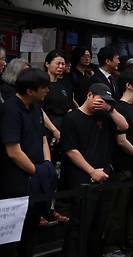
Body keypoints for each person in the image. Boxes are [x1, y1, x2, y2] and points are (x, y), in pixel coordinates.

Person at [60, 83, 129, 257]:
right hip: (81, 177)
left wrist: (110, 109)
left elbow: (124, 126)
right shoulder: (72, 118)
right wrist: (91, 171)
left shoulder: (104, 116)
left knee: (99, 224)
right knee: (79, 225)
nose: (103, 103)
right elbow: (71, 150)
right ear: (89, 95)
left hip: (104, 176)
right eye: (101, 99)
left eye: (107, 100)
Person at [0, 68, 54, 257]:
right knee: (11, 240)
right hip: (16, 183)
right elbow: (13, 151)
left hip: (37, 182)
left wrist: (47, 165)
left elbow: (43, 138)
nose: (47, 91)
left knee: (30, 236)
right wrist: (36, 171)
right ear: (30, 90)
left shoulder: (36, 107)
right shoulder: (10, 109)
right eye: (44, 87)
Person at [104, 70, 133, 256]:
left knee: (131, 208)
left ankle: (128, 242)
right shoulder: (119, 108)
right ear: (128, 85)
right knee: (117, 208)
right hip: (122, 166)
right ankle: (112, 246)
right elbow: (121, 140)